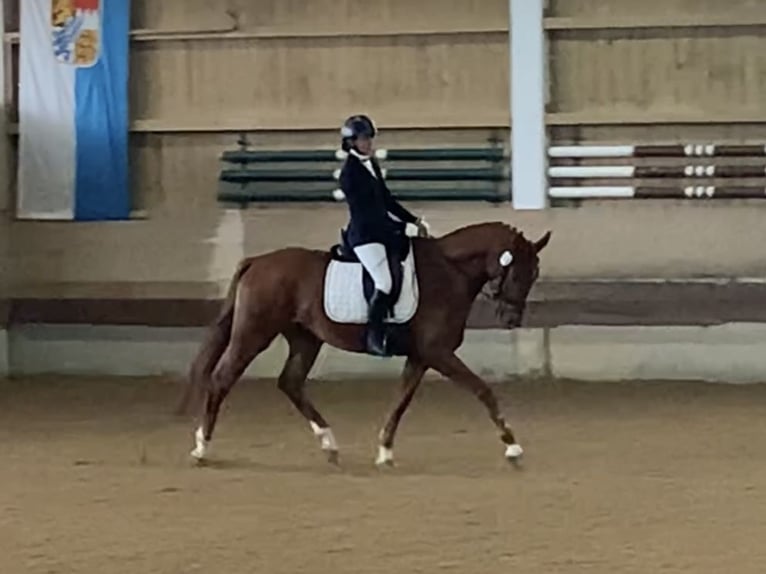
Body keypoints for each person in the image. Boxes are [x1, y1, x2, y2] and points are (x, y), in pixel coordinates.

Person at [338, 114, 430, 356]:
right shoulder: (349, 174)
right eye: (362, 139)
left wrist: (413, 220)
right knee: (384, 282)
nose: (368, 143)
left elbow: (386, 201)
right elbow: (366, 213)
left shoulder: (371, 165)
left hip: (382, 232)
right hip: (366, 235)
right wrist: (399, 228)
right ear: (350, 142)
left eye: (369, 138)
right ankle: (374, 336)